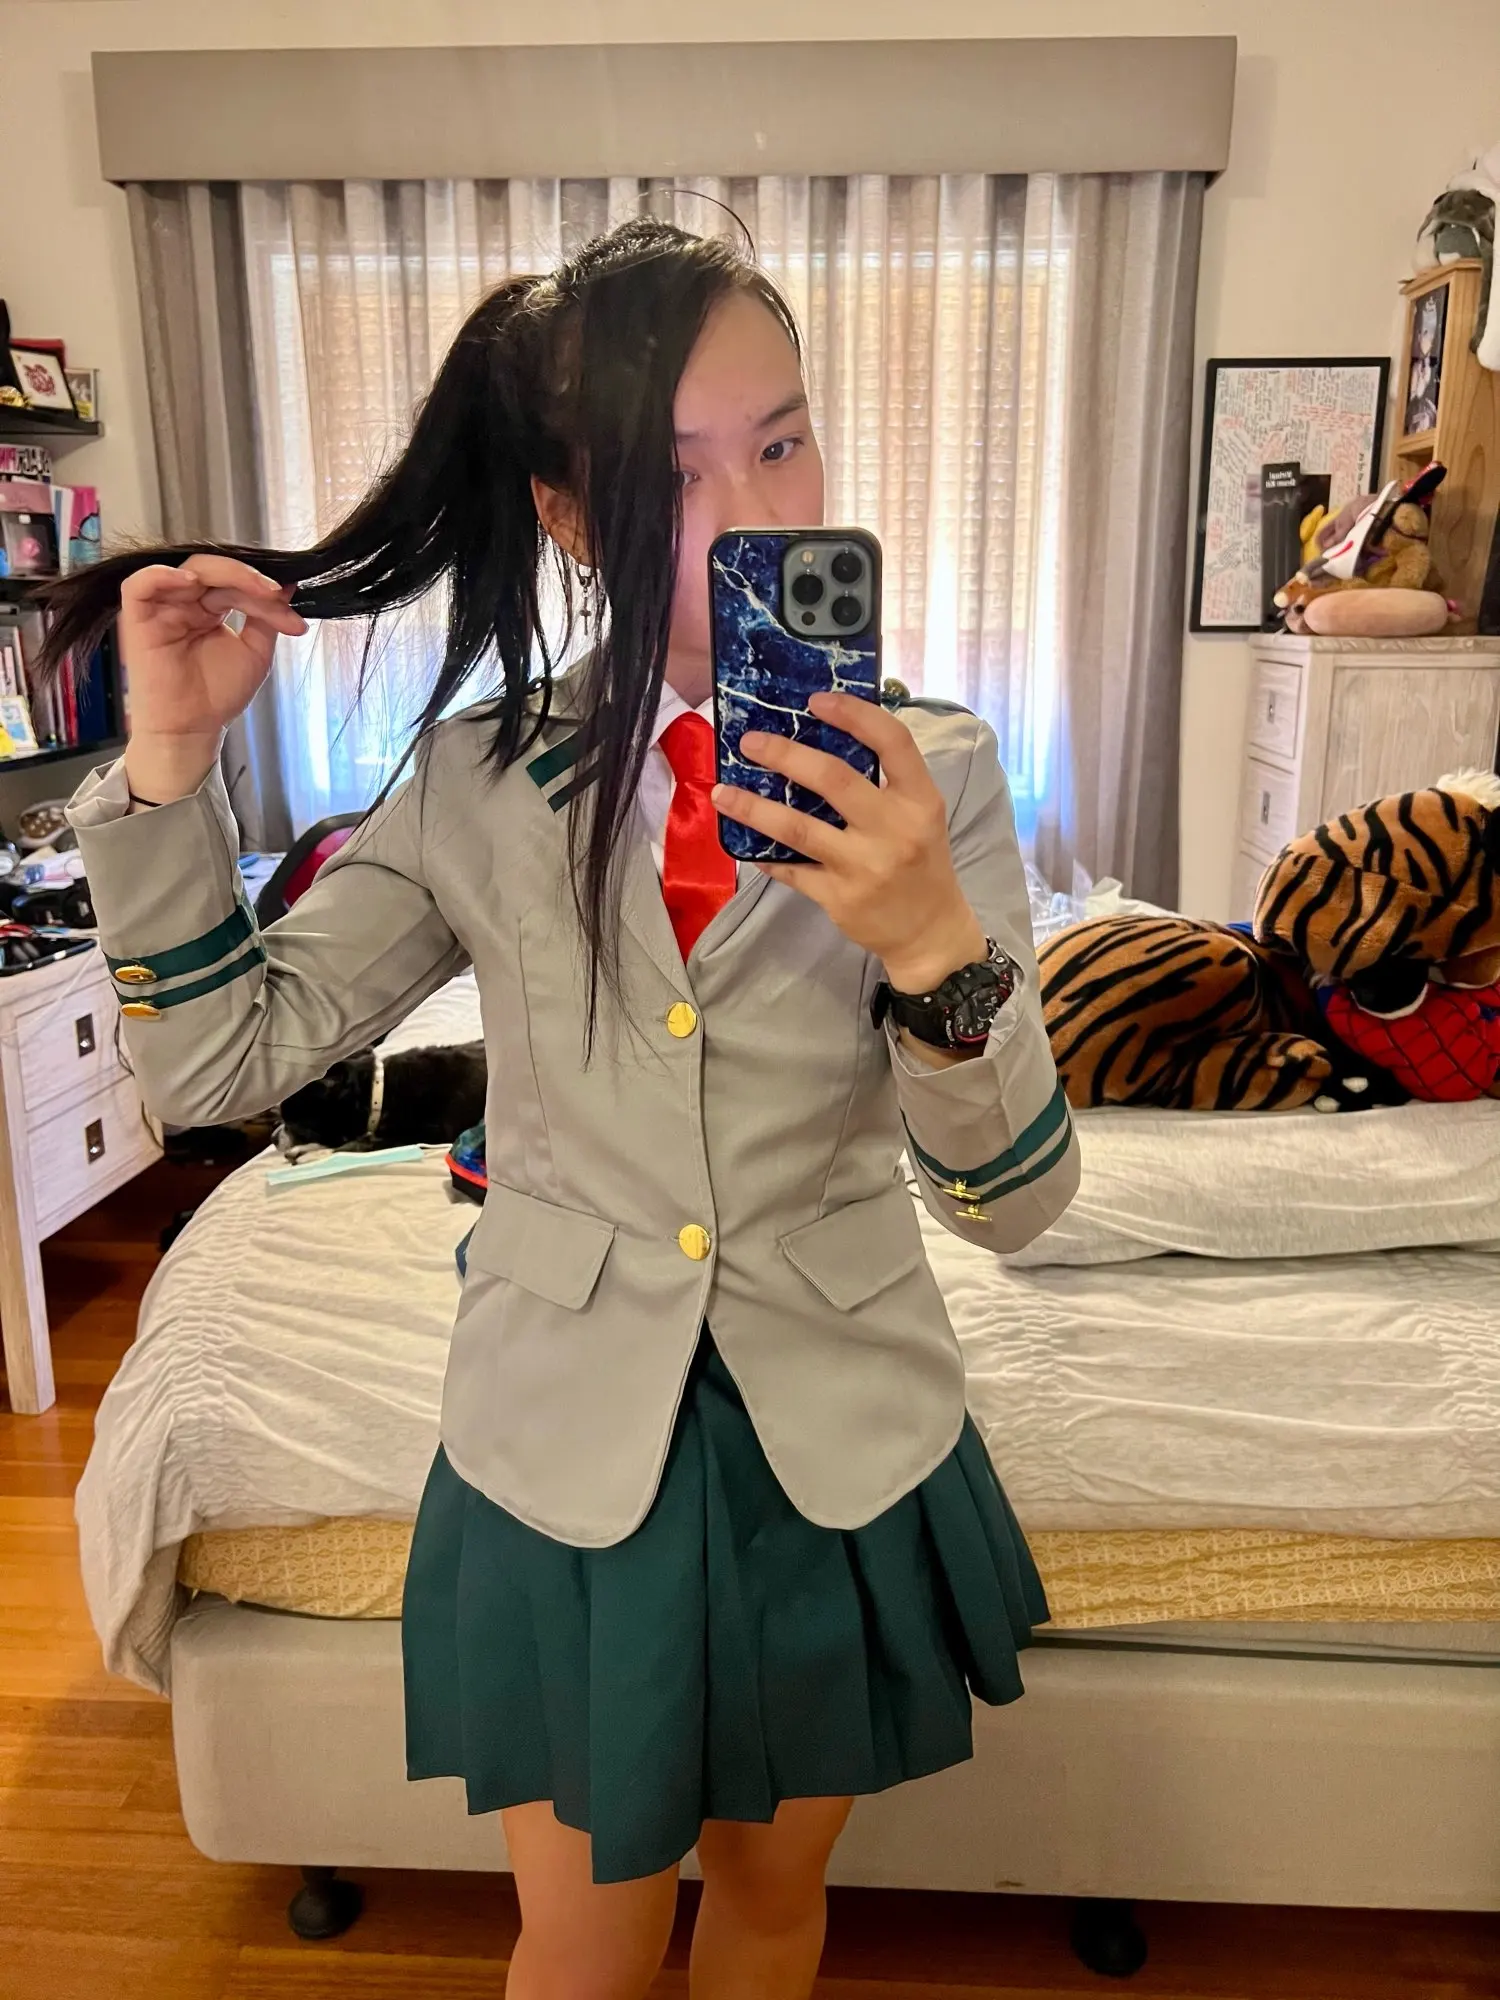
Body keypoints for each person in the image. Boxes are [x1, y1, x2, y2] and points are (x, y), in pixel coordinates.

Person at [44, 218, 1079, 2000]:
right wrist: (171, 766)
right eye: (672, 476)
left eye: (782, 441)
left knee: (772, 1908)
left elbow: (1017, 1202)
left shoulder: (942, 774)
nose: (751, 514)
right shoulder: (477, 775)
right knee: (583, 1946)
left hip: (836, 1428)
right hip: (561, 1437)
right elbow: (218, 1069)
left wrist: (934, 949)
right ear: (570, 515)